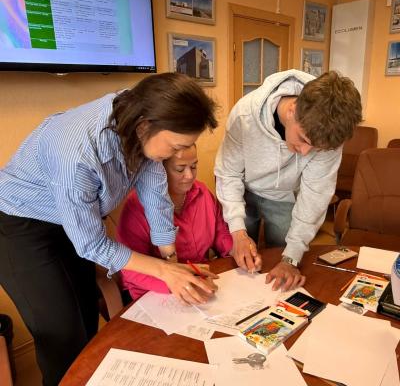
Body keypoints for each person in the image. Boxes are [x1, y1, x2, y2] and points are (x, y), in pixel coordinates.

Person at [0, 73, 219, 385]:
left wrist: (172, 262)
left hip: (71, 221)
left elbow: (155, 195)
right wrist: (164, 271)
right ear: (144, 126)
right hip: (20, 225)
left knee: (86, 315)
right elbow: (91, 245)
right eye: (175, 147)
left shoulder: (138, 111)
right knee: (63, 334)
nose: (176, 157)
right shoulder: (77, 153)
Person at [215, 69, 362, 292]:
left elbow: (315, 196)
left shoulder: (331, 134)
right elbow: (228, 173)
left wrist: (290, 259)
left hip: (285, 196)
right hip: (242, 190)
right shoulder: (245, 115)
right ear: (292, 109)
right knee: (238, 259)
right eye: (303, 139)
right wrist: (237, 231)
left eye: (316, 149)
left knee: (284, 263)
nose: (305, 152)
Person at [117, 144, 233, 301]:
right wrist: (176, 284)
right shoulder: (136, 207)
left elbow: (220, 232)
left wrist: (236, 248)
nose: (190, 175)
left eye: (194, 166)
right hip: (155, 293)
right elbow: (131, 269)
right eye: (180, 169)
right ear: (159, 170)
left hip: (201, 281)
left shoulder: (203, 193)